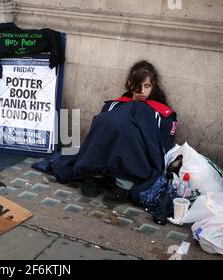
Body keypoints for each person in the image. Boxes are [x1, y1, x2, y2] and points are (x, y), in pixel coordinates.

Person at [32, 60, 178, 205]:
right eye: (137, 85)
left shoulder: (160, 113)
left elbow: (159, 144)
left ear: (153, 86)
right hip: (103, 158)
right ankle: (92, 175)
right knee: (103, 126)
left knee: (129, 134)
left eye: (147, 86)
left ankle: (123, 185)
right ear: (129, 83)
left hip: (132, 160)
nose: (142, 91)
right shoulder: (114, 105)